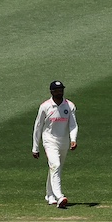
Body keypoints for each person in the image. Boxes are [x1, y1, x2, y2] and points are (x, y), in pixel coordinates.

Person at [32, 80, 78, 209]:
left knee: (55, 168)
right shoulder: (45, 106)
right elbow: (38, 127)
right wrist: (35, 147)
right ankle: (59, 196)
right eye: (57, 90)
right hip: (49, 140)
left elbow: (73, 124)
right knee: (55, 165)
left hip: (63, 141)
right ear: (52, 92)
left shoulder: (69, 105)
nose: (60, 92)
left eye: (61, 90)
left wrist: (73, 139)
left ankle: (50, 195)